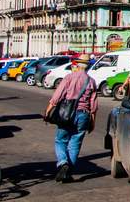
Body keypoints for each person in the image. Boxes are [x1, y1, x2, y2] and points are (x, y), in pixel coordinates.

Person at [46, 54, 98, 183]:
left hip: (66, 113)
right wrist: (92, 122)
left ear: (77, 65)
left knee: (60, 140)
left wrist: (48, 111)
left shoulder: (69, 77)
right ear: (88, 66)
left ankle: (63, 163)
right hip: (84, 114)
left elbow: (57, 96)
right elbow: (93, 105)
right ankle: (68, 173)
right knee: (75, 143)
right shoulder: (91, 81)